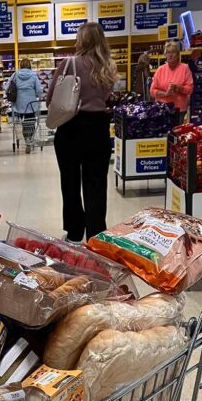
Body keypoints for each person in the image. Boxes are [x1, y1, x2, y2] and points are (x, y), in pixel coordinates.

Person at [47, 22, 118, 243]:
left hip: (71, 128)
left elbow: (51, 99)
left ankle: (75, 231)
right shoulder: (108, 67)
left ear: (82, 40)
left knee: (70, 181)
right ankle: (96, 234)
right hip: (99, 129)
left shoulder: (69, 64)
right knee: (96, 183)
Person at [7, 58, 43, 153]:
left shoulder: (15, 75)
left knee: (21, 122)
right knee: (30, 121)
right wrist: (35, 94)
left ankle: (25, 138)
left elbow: (7, 88)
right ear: (29, 65)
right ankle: (29, 140)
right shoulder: (33, 75)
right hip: (31, 104)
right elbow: (39, 90)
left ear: (20, 65)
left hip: (18, 104)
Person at [150, 41, 194, 115]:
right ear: (165, 55)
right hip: (162, 110)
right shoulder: (160, 70)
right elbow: (152, 91)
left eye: (173, 52)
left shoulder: (185, 68)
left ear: (177, 55)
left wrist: (178, 88)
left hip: (179, 110)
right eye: (168, 52)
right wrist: (165, 94)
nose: (170, 55)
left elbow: (190, 89)